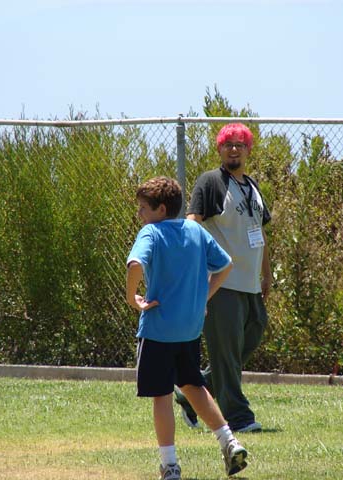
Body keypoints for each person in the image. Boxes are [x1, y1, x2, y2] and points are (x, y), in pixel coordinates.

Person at [125, 176, 249, 480]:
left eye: (143, 208)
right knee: (194, 386)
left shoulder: (151, 232)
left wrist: (132, 298)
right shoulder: (195, 230)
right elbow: (225, 265)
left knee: (161, 395)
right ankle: (229, 442)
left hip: (158, 330)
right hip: (189, 330)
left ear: (161, 209)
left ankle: (169, 465)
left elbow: (135, 264)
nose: (140, 214)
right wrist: (202, 297)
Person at [175, 123, 271, 433]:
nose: (233, 149)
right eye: (227, 144)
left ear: (248, 150)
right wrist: (197, 268)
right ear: (219, 149)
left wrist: (267, 275)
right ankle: (239, 418)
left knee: (249, 339)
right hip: (222, 283)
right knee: (227, 355)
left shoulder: (252, 186)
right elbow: (192, 223)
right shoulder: (212, 182)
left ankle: (195, 392)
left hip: (251, 285)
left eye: (239, 144)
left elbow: (260, 233)